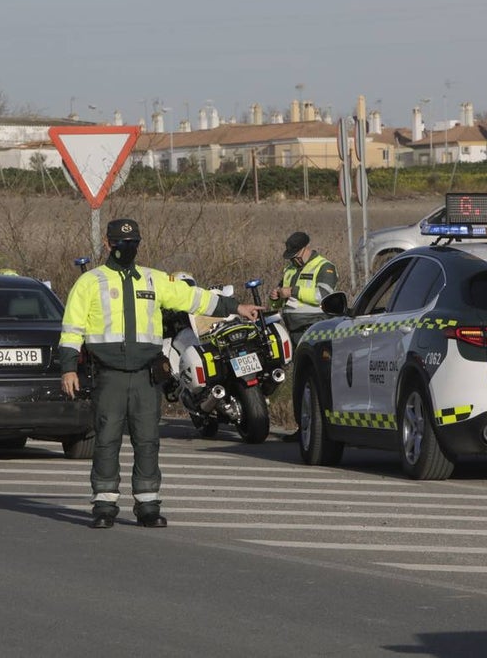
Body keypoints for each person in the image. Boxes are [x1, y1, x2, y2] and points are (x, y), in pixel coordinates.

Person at [59, 219, 263, 529]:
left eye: (133, 243)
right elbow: (72, 328)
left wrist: (236, 307)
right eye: (121, 243)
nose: (127, 248)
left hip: (145, 375)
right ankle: (104, 504)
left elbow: (195, 299)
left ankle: (147, 505)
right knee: (107, 439)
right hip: (109, 375)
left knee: (147, 440)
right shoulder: (89, 282)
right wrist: (68, 368)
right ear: (107, 244)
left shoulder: (154, 280)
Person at [269, 231, 338, 441]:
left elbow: (323, 295)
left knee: (313, 379)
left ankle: (317, 429)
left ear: (306, 248)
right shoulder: (290, 268)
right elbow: (282, 298)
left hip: (314, 329)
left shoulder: (325, 267)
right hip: (294, 330)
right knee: (301, 380)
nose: (294, 259)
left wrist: (292, 291)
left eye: (296, 254)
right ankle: (304, 427)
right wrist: (276, 297)